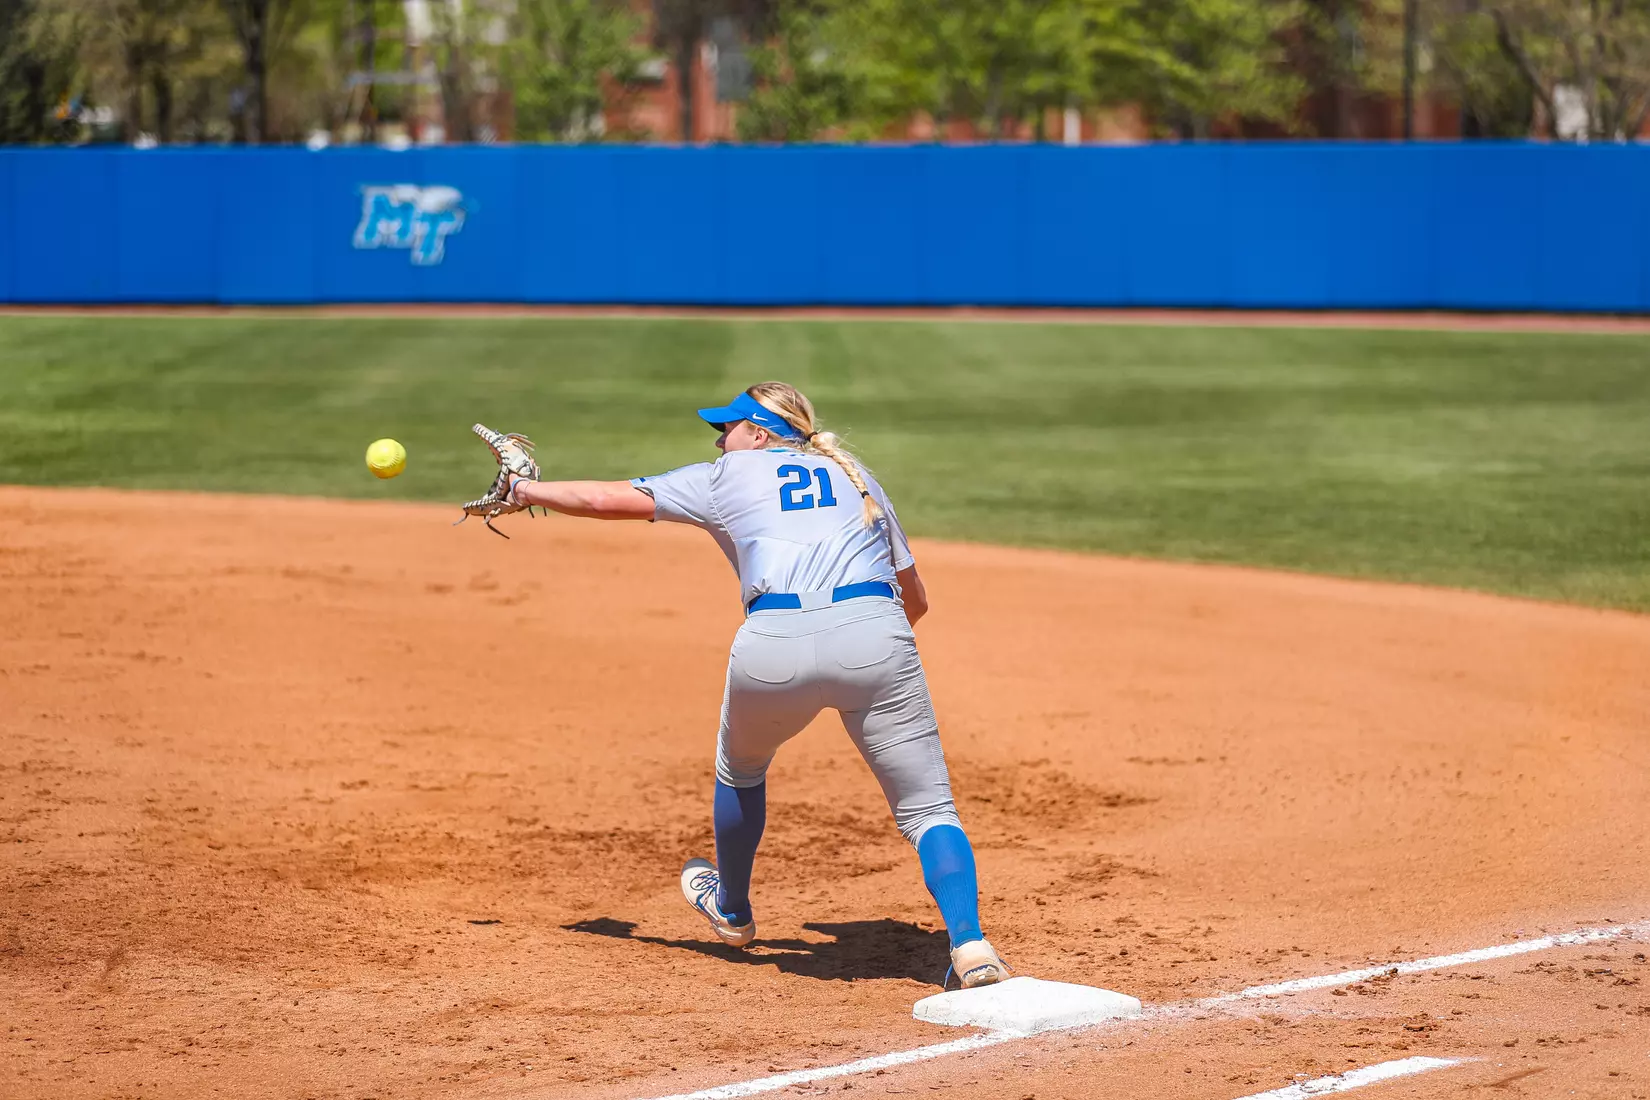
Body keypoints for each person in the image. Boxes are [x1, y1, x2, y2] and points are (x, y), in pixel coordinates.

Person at [494, 382, 1008, 988]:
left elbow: (607, 498)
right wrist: (863, 658)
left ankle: (733, 909)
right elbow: (915, 598)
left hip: (773, 645)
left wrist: (522, 489)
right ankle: (972, 947)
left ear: (759, 435)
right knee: (928, 810)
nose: (719, 439)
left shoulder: (722, 478)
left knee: (741, 770)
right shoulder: (856, 476)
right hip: (877, 631)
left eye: (728, 428)